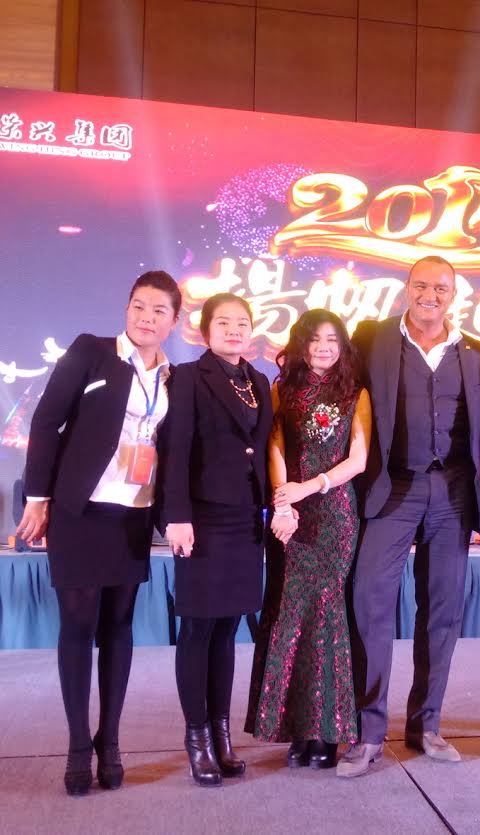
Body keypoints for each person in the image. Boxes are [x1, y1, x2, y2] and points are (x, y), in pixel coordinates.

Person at [337, 255, 480, 778]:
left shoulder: (471, 350)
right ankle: (367, 732)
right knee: (370, 604)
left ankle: (426, 725)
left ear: (454, 295)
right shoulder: (372, 337)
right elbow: (338, 391)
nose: (429, 295)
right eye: (420, 285)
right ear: (406, 288)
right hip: (392, 488)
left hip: (452, 492)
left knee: (443, 612)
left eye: (440, 288)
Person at [16, 271, 181, 795]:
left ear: (174, 322)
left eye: (158, 311)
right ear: (126, 308)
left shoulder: (173, 377)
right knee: (78, 626)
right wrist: (38, 497)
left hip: (133, 515)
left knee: (119, 627)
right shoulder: (91, 351)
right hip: (80, 512)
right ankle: (76, 745)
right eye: (139, 306)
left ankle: (109, 741)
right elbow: (46, 421)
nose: (146, 318)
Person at [245, 309, 371, 769]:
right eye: (315, 338)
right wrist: (283, 503)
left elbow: (358, 459)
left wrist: (311, 487)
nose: (324, 347)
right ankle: (296, 728)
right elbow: (275, 447)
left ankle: (328, 732)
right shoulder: (283, 389)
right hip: (290, 516)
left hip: (335, 515)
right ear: (301, 343)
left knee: (326, 616)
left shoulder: (356, 392)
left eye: (332, 339)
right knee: (291, 615)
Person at [162, 293, 272, 787]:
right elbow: (175, 448)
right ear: (205, 330)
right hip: (202, 519)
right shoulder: (188, 377)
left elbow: (260, 450)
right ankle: (197, 738)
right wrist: (177, 515)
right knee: (198, 628)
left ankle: (222, 734)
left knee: (228, 629)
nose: (234, 330)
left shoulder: (258, 382)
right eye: (223, 322)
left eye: (242, 322)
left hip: (246, 519)